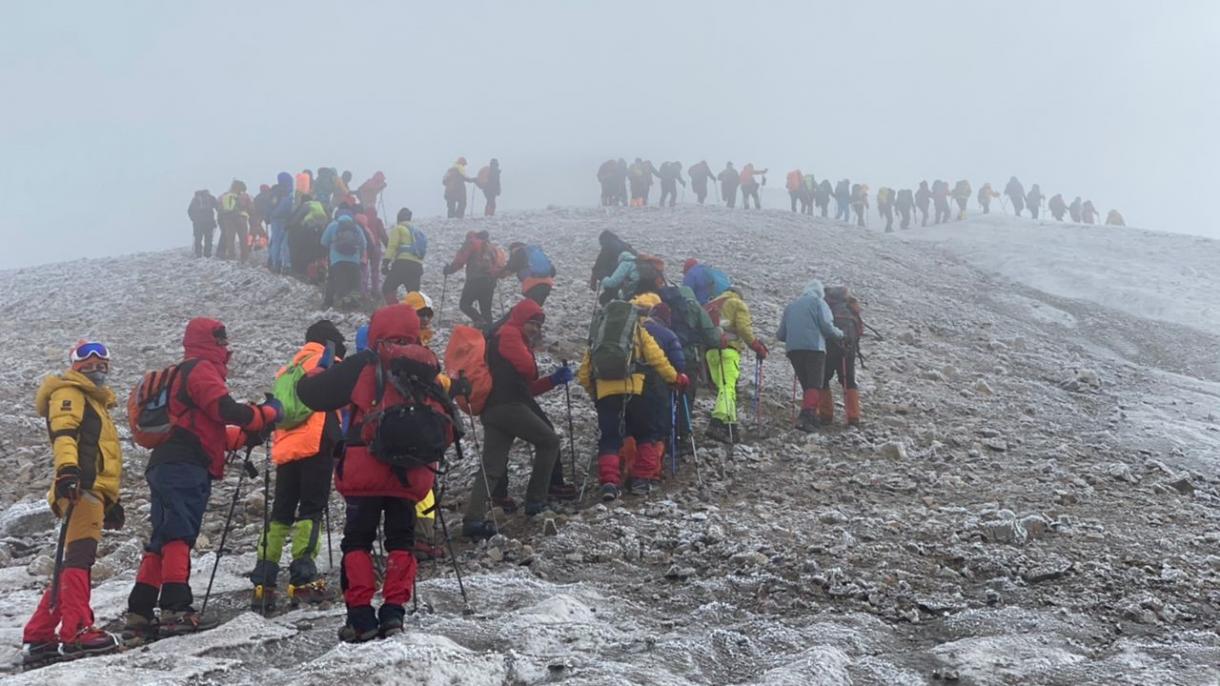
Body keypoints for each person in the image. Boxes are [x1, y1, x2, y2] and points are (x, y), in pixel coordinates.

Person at [296, 305, 455, 642]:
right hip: (410, 474)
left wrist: (315, 373)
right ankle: (394, 614)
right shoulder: (426, 365)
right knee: (401, 541)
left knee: (358, 541)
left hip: (364, 468)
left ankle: (361, 618)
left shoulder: (364, 363)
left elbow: (313, 396)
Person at [124, 319, 282, 641]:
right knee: (178, 535)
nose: (227, 348)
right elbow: (225, 409)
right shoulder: (201, 369)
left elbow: (209, 430)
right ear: (212, 342)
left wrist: (248, 434)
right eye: (222, 341)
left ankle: (140, 612)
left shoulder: (187, 372)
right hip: (184, 465)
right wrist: (264, 415)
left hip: (169, 463)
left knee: (163, 537)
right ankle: (176, 609)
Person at [23, 342, 125, 663]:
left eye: (101, 358)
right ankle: (77, 632)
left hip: (90, 490)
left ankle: (40, 634)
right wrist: (68, 472)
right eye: (86, 357)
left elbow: (96, 452)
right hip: (80, 488)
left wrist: (111, 500)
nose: (95, 363)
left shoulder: (95, 401)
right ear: (74, 364)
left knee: (70, 564)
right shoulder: (70, 393)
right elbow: (64, 434)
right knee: (80, 560)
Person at [249, 321, 346, 613]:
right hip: (316, 442)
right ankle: (303, 580)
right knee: (311, 510)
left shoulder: (288, 368)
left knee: (280, 512)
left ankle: (263, 581)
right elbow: (340, 398)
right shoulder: (327, 361)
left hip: (286, 446)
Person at [463, 300, 572, 537]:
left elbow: (525, 387)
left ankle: (473, 521)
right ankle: (536, 502)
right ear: (520, 319)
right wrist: (533, 359)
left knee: (491, 467)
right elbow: (527, 370)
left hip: (494, 410)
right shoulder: (510, 334)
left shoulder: (504, 337)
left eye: (537, 325)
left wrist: (552, 380)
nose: (534, 329)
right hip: (509, 407)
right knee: (549, 441)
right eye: (531, 323)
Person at [577, 299, 684, 501]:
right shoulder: (638, 331)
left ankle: (609, 482)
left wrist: (596, 393)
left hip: (606, 392)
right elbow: (657, 358)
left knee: (609, 437)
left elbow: (584, 373)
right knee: (646, 434)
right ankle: (641, 480)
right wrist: (674, 378)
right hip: (636, 389)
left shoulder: (599, 335)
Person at [777, 282, 843, 432]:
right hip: (815, 349)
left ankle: (808, 415)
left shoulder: (791, 306)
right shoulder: (819, 303)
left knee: (806, 384)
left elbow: (780, 334)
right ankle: (807, 417)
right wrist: (840, 334)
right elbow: (827, 327)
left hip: (793, 350)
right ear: (820, 292)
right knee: (814, 384)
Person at [704, 288, 766, 443]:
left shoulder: (710, 305)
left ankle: (730, 427)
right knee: (728, 387)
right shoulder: (737, 303)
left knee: (724, 388)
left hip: (710, 352)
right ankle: (717, 422)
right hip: (728, 350)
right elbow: (744, 329)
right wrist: (757, 346)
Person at [820, 287, 864, 427]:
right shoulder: (851, 309)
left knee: (823, 379)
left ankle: (825, 415)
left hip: (829, 349)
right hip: (848, 350)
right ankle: (853, 417)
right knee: (849, 381)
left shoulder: (826, 307)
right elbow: (860, 330)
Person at [443, 230, 499, 327]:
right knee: (486, 310)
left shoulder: (471, 243)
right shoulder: (492, 247)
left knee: (464, 304)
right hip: (490, 281)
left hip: (475, 279)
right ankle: (489, 333)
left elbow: (460, 260)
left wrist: (449, 270)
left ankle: (480, 321)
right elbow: (498, 264)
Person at [321, 213, 368, 309]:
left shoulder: (333, 225)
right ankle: (352, 305)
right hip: (354, 261)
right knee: (353, 283)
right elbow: (364, 243)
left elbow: (323, 242)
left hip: (336, 260)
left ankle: (328, 302)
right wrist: (359, 256)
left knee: (332, 280)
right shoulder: (356, 227)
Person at [382, 208, 426, 305]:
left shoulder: (398, 228)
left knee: (387, 288)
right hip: (417, 266)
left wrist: (385, 263)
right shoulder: (417, 231)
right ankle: (416, 317)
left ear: (399, 218)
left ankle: (396, 310)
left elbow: (392, 246)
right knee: (414, 295)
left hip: (402, 265)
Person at [287, 193, 329, 278]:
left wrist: (289, 225)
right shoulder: (319, 204)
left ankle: (306, 271)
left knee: (308, 249)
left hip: (310, 227)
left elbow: (297, 217)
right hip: (322, 226)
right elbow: (328, 215)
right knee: (318, 250)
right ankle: (321, 271)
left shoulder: (305, 205)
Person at [590, 230, 635, 295]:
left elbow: (597, 266)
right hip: (631, 280)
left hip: (615, 277)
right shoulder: (626, 246)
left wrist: (593, 283)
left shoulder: (607, 247)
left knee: (609, 293)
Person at [217, 180, 252, 261]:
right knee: (243, 238)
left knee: (230, 238)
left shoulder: (224, 195)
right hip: (241, 218)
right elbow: (251, 208)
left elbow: (219, 208)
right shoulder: (245, 196)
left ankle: (231, 256)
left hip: (228, 219)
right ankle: (244, 257)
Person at [267, 172, 295, 273]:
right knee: (284, 243)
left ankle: (276, 264)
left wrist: (272, 214)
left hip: (276, 219)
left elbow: (272, 206)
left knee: (276, 242)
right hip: (283, 219)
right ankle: (286, 264)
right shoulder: (285, 191)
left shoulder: (275, 191)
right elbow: (286, 205)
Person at [360, 208, 389, 296]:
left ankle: (363, 290)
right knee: (375, 270)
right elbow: (382, 234)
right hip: (376, 247)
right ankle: (375, 290)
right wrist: (388, 246)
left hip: (365, 248)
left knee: (364, 269)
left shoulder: (363, 221)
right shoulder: (377, 220)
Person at [188, 189, 218, 258]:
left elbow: (189, 211)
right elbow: (217, 207)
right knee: (208, 238)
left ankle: (198, 254)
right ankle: (207, 254)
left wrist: (194, 219)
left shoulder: (195, 199)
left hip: (198, 223)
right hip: (209, 222)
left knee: (198, 239)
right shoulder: (210, 198)